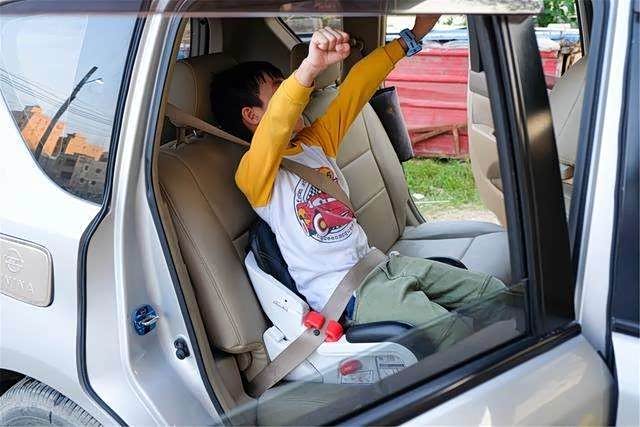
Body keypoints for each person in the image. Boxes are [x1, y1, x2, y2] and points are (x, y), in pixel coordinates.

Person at [211, 16, 507, 349]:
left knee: (492, 293)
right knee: (453, 333)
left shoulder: (315, 142)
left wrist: (412, 36)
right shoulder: (254, 171)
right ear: (252, 115)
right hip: (347, 295)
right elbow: (276, 123)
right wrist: (309, 68)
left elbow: (357, 87)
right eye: (280, 87)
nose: (299, 94)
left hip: (381, 266)